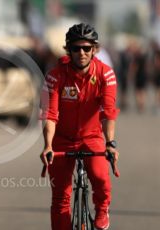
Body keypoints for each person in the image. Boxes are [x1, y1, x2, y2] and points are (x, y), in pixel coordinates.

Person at [40, 23, 119, 230]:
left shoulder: (106, 74)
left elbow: (108, 111)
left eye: (86, 48)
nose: (81, 53)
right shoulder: (55, 76)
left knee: (101, 178)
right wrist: (47, 145)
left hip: (91, 137)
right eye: (76, 48)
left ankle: (102, 208)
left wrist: (110, 143)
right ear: (69, 50)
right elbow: (50, 114)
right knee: (60, 198)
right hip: (62, 139)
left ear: (94, 49)